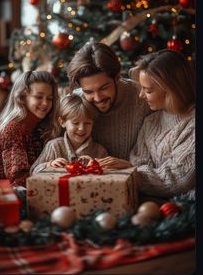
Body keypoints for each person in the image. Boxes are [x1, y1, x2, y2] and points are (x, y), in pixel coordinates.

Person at [117, 49, 195, 199]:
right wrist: (134, 171)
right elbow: (137, 160)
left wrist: (131, 173)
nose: (141, 95)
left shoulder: (193, 123)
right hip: (148, 200)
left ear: (171, 90)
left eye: (148, 90)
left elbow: (179, 178)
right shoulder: (150, 121)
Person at [66, 42, 150, 168]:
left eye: (104, 88)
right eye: (88, 92)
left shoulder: (141, 97)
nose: (98, 98)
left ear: (117, 78)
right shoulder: (75, 102)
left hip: (134, 177)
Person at [0, 70, 61, 187]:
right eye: (39, 97)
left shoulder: (40, 127)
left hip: (34, 189)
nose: (45, 103)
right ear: (22, 97)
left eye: (50, 98)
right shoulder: (13, 129)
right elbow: (19, 179)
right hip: (7, 194)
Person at [30, 93, 108, 174]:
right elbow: (33, 172)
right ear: (62, 122)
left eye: (87, 123)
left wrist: (96, 166)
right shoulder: (54, 146)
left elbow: (108, 176)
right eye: (75, 123)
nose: (81, 128)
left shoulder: (100, 151)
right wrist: (48, 165)